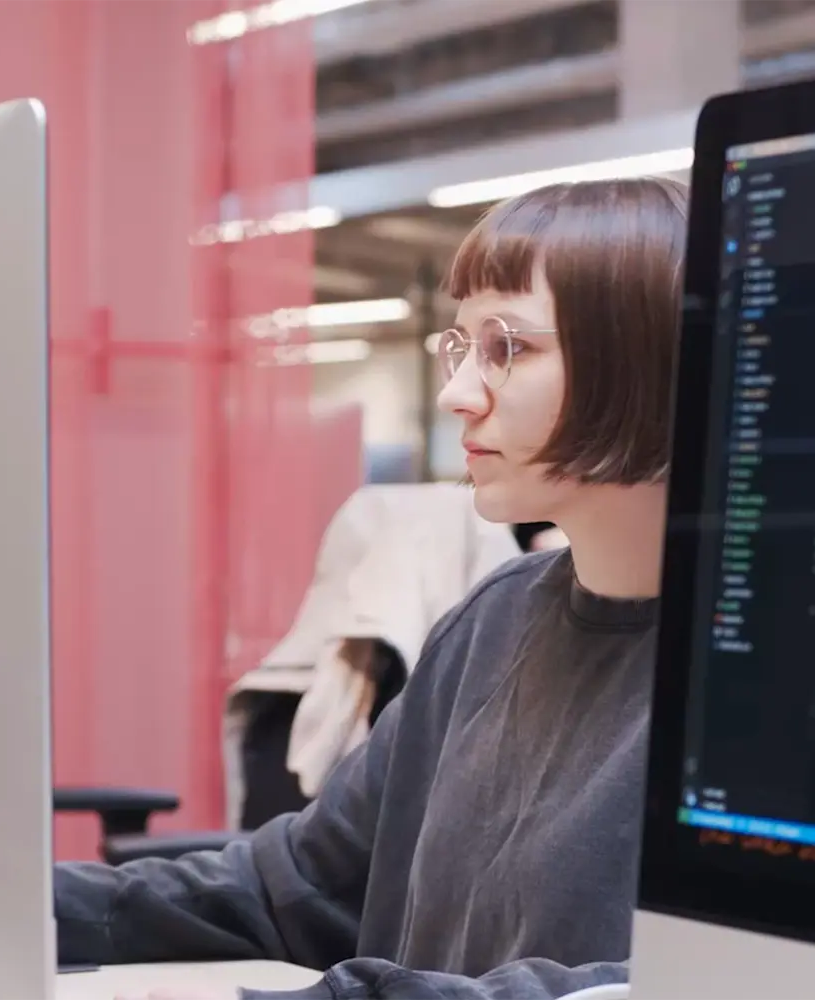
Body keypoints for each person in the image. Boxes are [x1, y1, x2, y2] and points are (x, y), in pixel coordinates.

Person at [54, 175, 686, 1000]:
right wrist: (15, 900)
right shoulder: (491, 624)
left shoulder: (759, 686)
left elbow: (679, 984)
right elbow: (294, 886)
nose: (458, 394)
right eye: (460, 349)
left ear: (643, 358)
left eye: (509, 348)